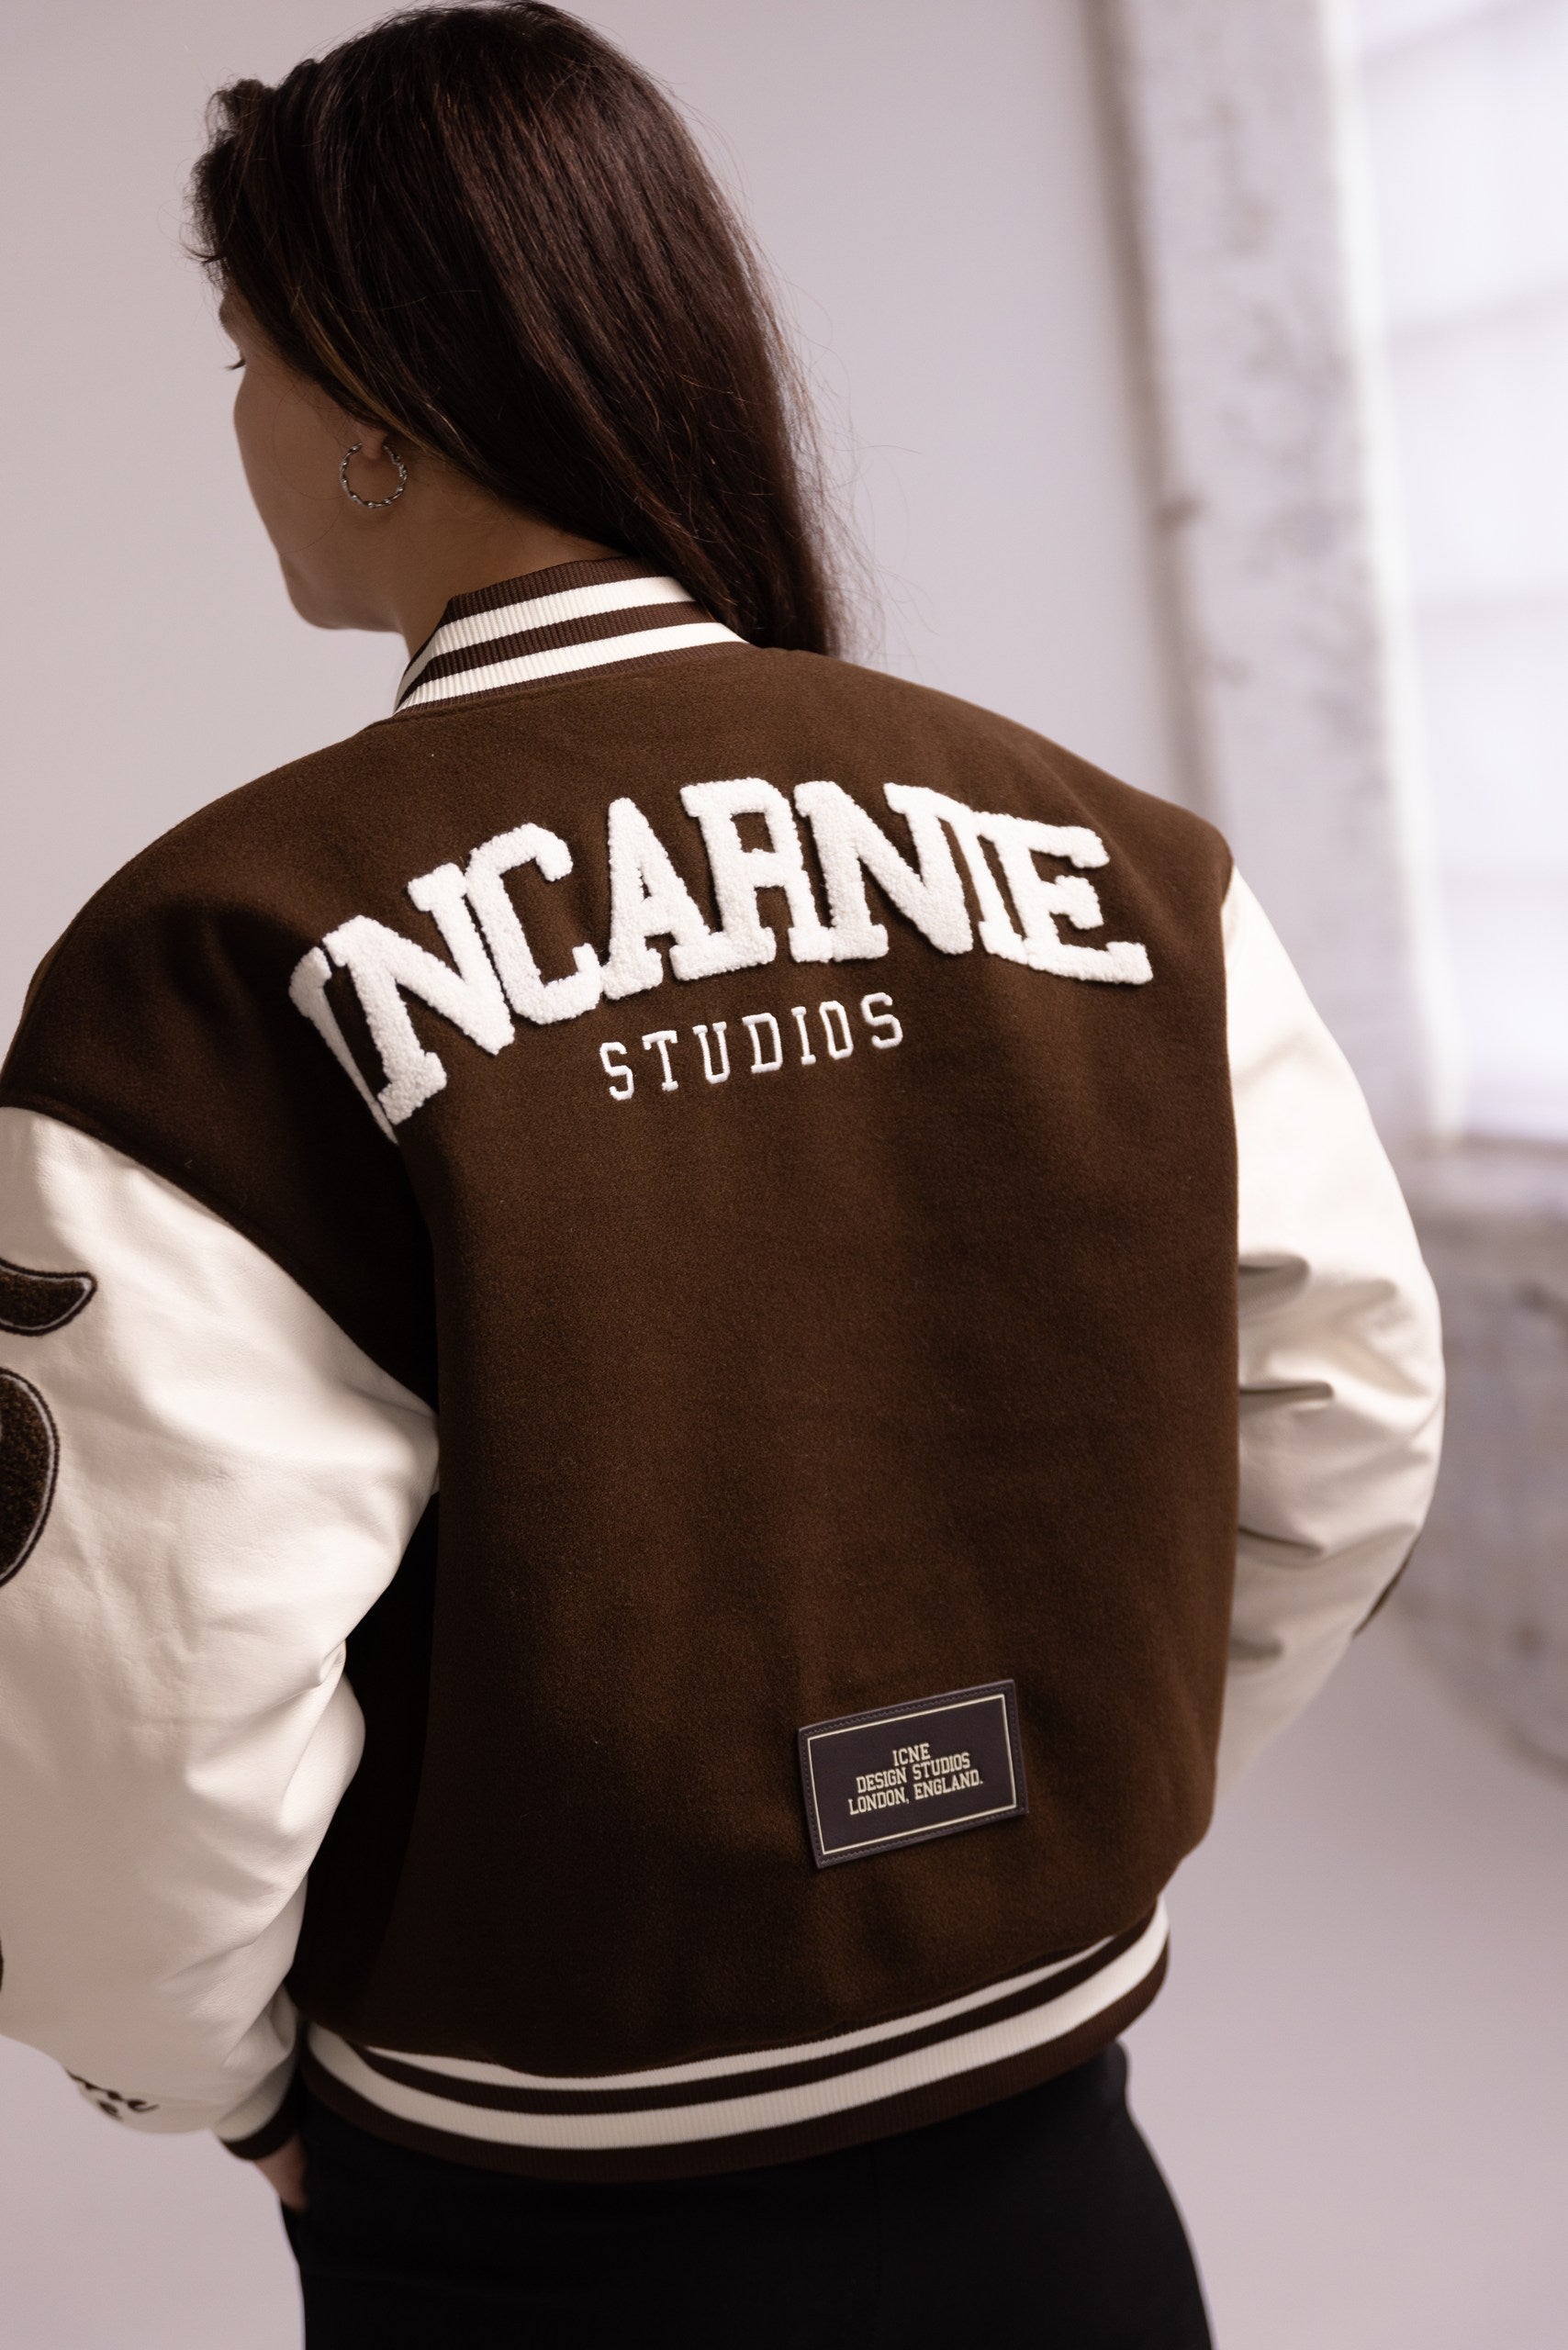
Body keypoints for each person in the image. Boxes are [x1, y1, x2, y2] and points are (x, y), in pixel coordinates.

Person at [0, 6, 1443, 2344]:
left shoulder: (210, 960)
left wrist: (213, 2083)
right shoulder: (1119, 860)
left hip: (538, 2234)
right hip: (1058, 2177)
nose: (238, 424)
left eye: (247, 357)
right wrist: (1046, 1819)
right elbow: (1346, 1423)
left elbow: (134, 1687)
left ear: (372, 409)